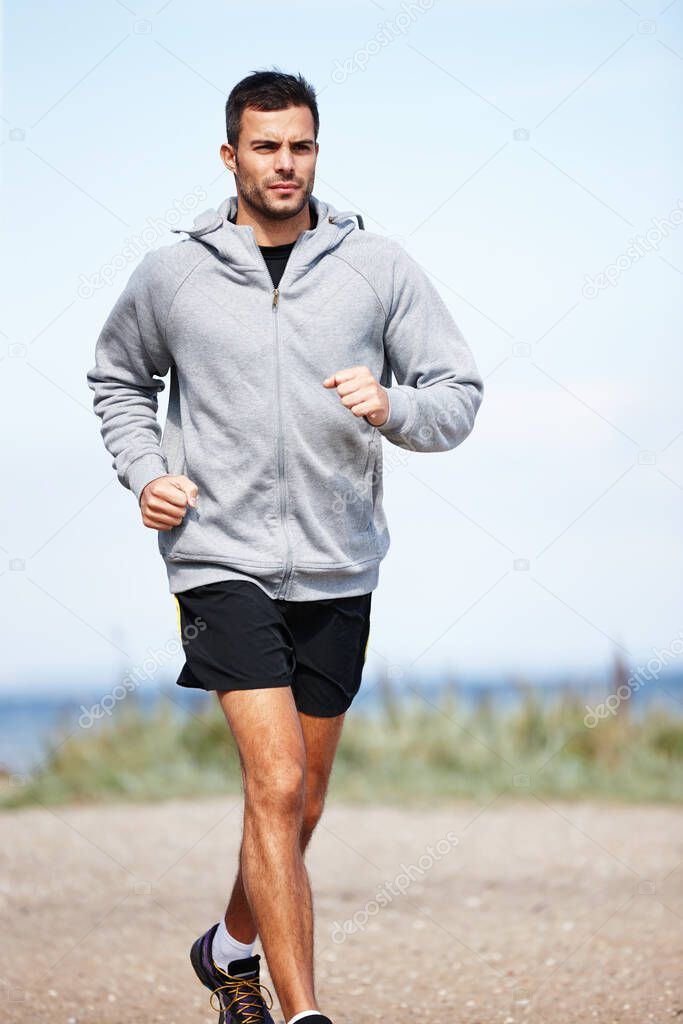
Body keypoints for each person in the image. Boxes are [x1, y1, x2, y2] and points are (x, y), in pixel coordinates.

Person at [86, 67, 483, 1024]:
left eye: (300, 145)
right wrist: (148, 475)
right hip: (216, 555)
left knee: (298, 806)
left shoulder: (375, 266)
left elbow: (458, 397)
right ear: (231, 156)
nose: (285, 164)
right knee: (272, 778)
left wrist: (394, 406)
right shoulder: (170, 275)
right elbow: (117, 382)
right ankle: (302, 1012)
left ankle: (227, 949)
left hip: (339, 558)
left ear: (317, 150)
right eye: (265, 146)